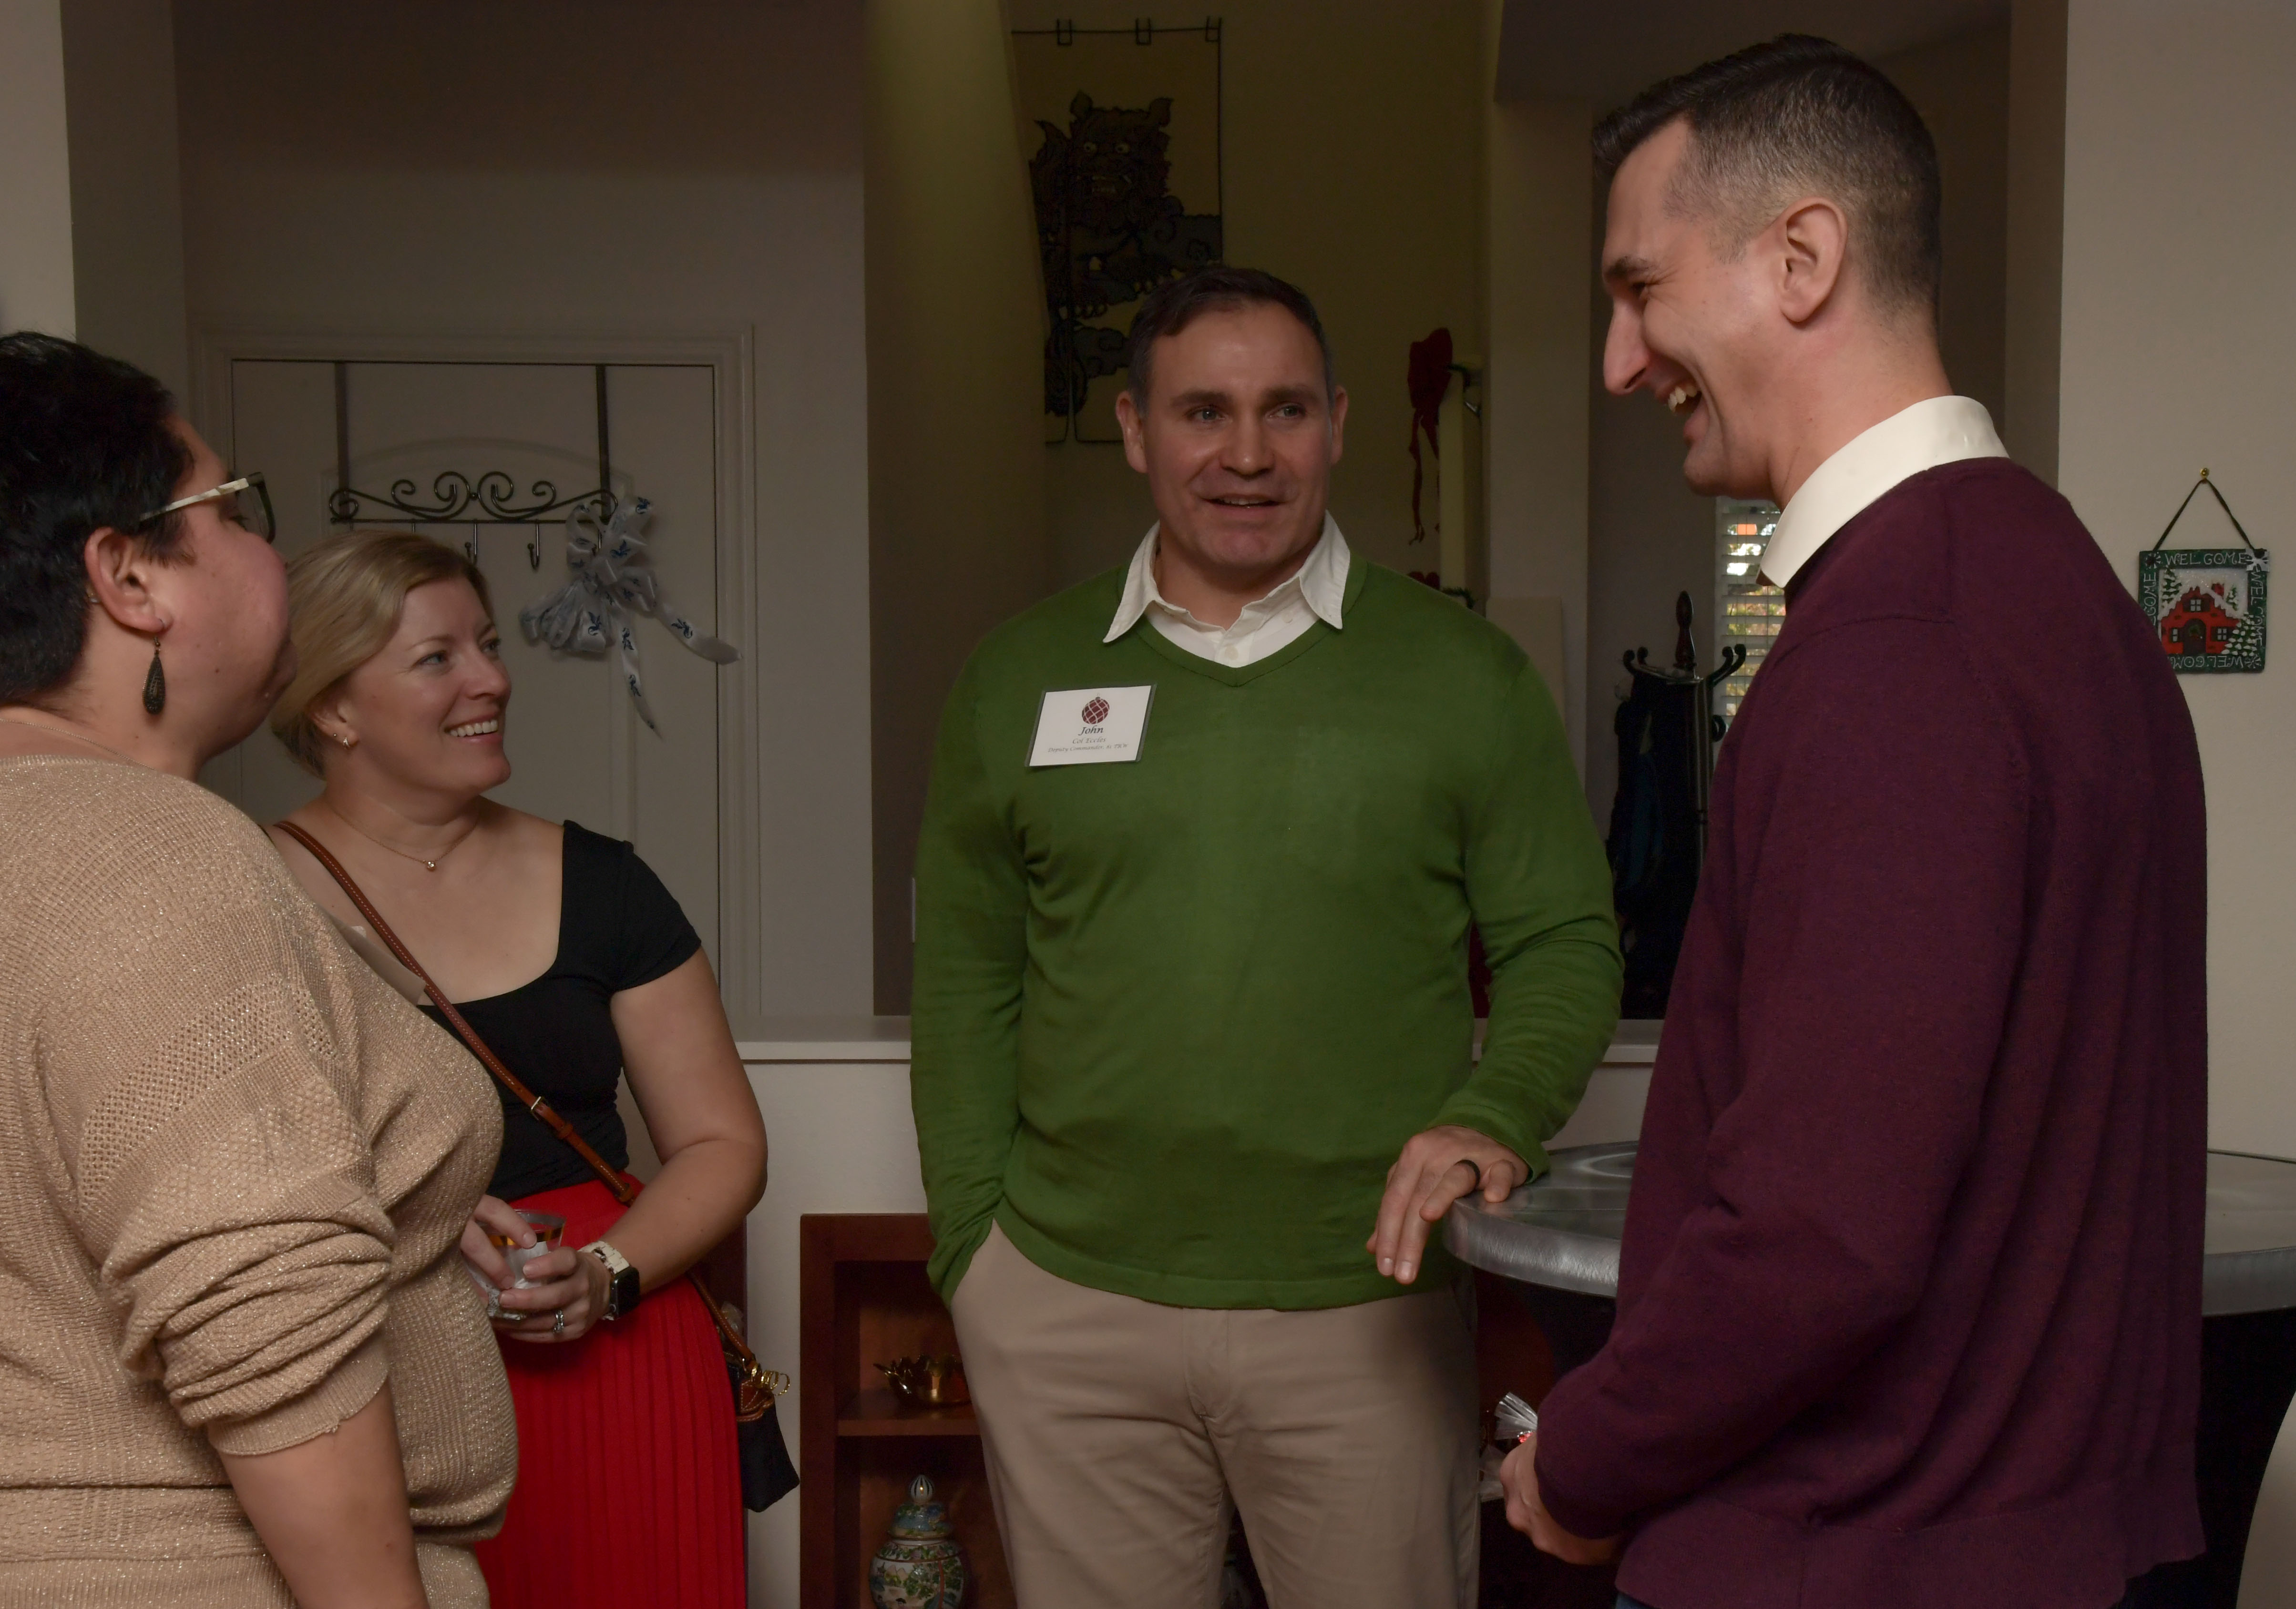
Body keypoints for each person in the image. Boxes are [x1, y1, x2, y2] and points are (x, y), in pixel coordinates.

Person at [1500, 37, 2207, 1609]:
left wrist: (1585, 1454)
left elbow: (1820, 1233)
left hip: (1855, 1558)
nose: (1618, 361)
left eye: (1639, 289)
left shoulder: (1900, 642)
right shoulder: (2054, 587)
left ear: (1801, 258)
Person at [911, 265, 1622, 1609]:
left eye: (1284, 410)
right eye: (1203, 412)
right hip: (1065, 1309)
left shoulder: (1463, 676)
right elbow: (965, 979)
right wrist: (976, 1255)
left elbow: (1565, 942)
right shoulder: (1018, 677)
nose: (1246, 454)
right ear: (1135, 430)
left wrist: (1499, 1111)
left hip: (1366, 1307)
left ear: (1337, 423)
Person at [0, 332, 515, 1607]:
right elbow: (266, 1324)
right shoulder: (151, 849)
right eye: (232, 510)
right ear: (130, 576)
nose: (264, 548)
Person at [264, 528, 767, 1609]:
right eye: (437, 657)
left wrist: (608, 1274)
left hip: (621, 1353)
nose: (493, 679)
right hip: (381, 1366)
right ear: (335, 707)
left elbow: (722, 1142)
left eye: (488, 645)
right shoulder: (251, 896)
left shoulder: (604, 880)